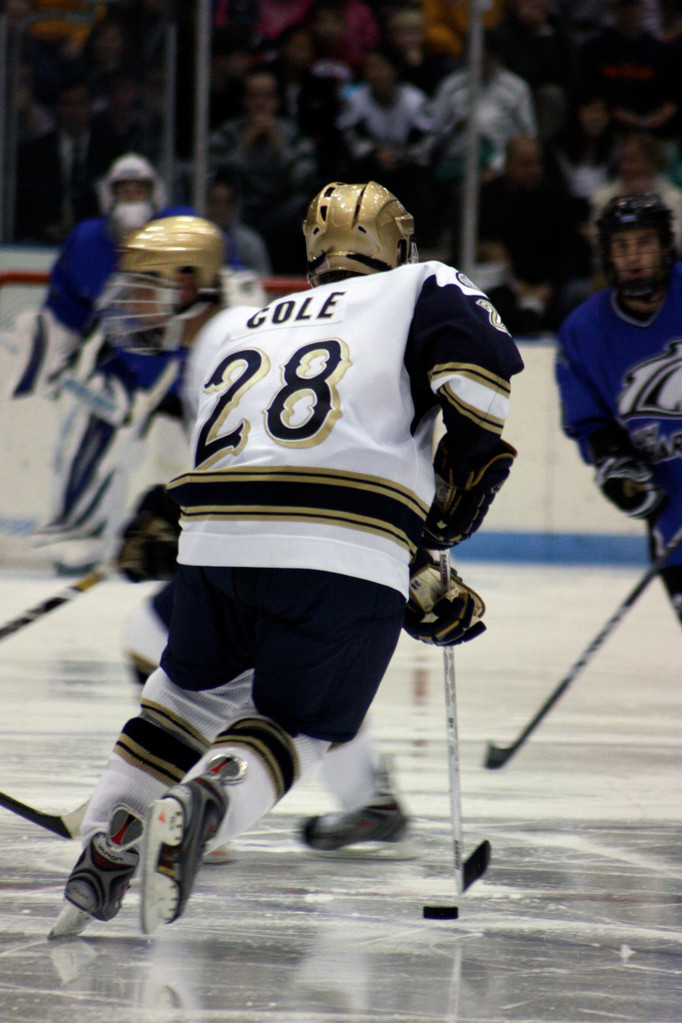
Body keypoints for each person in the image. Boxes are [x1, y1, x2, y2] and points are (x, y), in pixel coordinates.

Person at [48, 179, 522, 940]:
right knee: (296, 721)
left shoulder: (254, 321)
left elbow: (255, 460)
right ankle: (203, 804)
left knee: (183, 698)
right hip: (339, 548)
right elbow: (478, 379)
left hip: (217, 548)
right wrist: (457, 488)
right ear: (397, 247)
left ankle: (105, 841)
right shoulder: (420, 285)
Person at [556, 193, 682, 624]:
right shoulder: (583, 332)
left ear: (666, 245)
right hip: (675, 528)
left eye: (644, 242)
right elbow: (590, 424)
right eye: (622, 246)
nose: (634, 257)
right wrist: (618, 466)